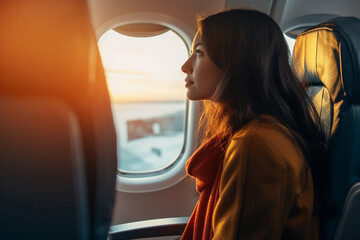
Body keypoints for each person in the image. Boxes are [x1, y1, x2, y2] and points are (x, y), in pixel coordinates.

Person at [180, 9, 331, 240]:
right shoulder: (255, 132)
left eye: (199, 53)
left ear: (236, 61)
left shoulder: (256, 144)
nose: (186, 65)